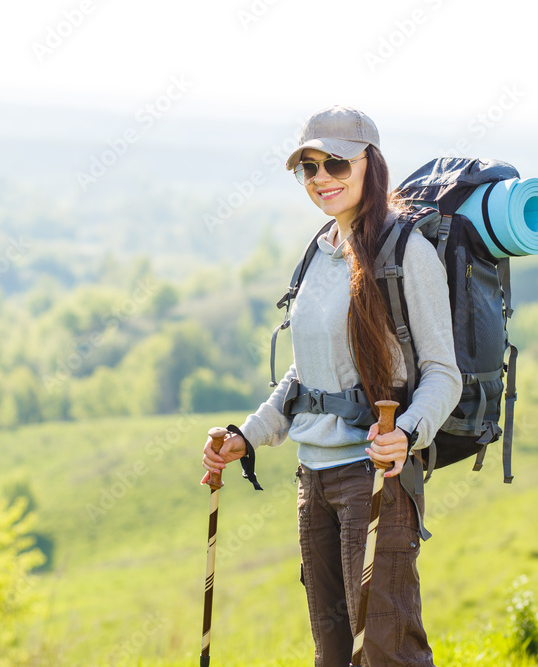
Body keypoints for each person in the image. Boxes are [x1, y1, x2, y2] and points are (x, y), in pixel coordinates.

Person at [200, 105, 461, 666]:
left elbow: (444, 372)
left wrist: (408, 433)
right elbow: (304, 377)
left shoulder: (407, 253)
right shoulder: (318, 253)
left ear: (371, 164)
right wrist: (246, 437)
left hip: (375, 478)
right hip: (312, 479)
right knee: (334, 653)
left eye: (336, 164)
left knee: (387, 652)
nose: (321, 178)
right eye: (309, 168)